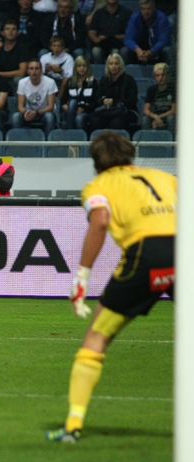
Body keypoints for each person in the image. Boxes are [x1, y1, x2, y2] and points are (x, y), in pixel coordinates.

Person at [46, 130, 176, 443]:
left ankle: (73, 426)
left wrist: (81, 278)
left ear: (95, 162)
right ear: (131, 153)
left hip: (147, 255)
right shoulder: (165, 177)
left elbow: (101, 221)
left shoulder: (99, 185)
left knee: (97, 336)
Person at [90, 52, 137, 132]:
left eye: (116, 63)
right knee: (95, 121)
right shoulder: (104, 80)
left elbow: (132, 100)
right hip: (107, 111)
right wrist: (103, 100)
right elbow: (97, 98)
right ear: (107, 66)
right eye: (111, 64)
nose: (113, 66)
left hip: (126, 111)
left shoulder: (129, 80)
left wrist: (114, 102)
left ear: (121, 65)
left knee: (117, 123)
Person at [12, 58, 58, 136]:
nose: (34, 71)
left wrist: (36, 113)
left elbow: (50, 107)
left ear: (41, 70)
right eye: (31, 68)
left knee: (49, 116)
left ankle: (49, 145)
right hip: (28, 113)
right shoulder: (22, 82)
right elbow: (20, 106)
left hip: (43, 113)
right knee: (16, 117)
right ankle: (19, 144)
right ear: (27, 71)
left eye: (37, 68)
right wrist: (25, 113)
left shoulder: (50, 82)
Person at [121, 0, 171, 65]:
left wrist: (151, 52)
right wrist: (137, 50)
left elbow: (164, 40)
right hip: (139, 53)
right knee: (124, 51)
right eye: (143, 9)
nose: (146, 12)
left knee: (167, 50)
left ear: (153, 8)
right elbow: (128, 39)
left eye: (148, 9)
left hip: (156, 52)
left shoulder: (162, 18)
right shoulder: (134, 18)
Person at [88, 0, 132, 64]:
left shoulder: (126, 13)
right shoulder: (98, 13)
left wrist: (115, 37)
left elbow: (130, 34)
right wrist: (97, 39)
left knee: (115, 52)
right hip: (101, 45)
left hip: (118, 45)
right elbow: (91, 31)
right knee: (95, 51)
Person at [61, 55, 98, 131]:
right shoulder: (70, 82)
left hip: (87, 112)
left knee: (79, 119)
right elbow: (63, 101)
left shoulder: (92, 82)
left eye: (84, 66)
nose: (82, 68)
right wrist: (64, 106)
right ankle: (71, 134)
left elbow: (95, 102)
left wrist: (84, 109)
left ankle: (78, 139)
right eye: (79, 66)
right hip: (71, 110)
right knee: (73, 102)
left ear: (88, 67)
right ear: (75, 67)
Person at [0, 19, 28, 94]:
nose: (10, 31)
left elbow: (22, 72)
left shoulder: (22, 48)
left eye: (13, 29)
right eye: (7, 29)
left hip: (13, 78)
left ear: (18, 33)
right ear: (2, 33)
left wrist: (2, 74)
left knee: (18, 80)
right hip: (0, 79)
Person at [142, 62, 175, 137]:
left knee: (171, 119)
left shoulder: (173, 89)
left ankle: (171, 145)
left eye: (163, 75)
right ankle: (147, 143)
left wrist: (159, 117)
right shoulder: (151, 90)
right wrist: (155, 117)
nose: (160, 77)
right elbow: (146, 110)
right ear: (154, 77)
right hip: (155, 117)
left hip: (167, 117)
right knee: (145, 119)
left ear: (168, 76)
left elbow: (174, 110)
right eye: (158, 75)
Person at [39, 36, 73, 100]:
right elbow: (40, 72)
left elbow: (71, 75)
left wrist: (61, 72)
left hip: (62, 80)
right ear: (50, 47)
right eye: (54, 46)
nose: (56, 48)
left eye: (59, 46)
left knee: (66, 81)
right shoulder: (44, 57)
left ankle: (58, 101)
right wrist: (46, 70)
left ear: (63, 47)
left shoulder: (68, 58)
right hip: (49, 79)